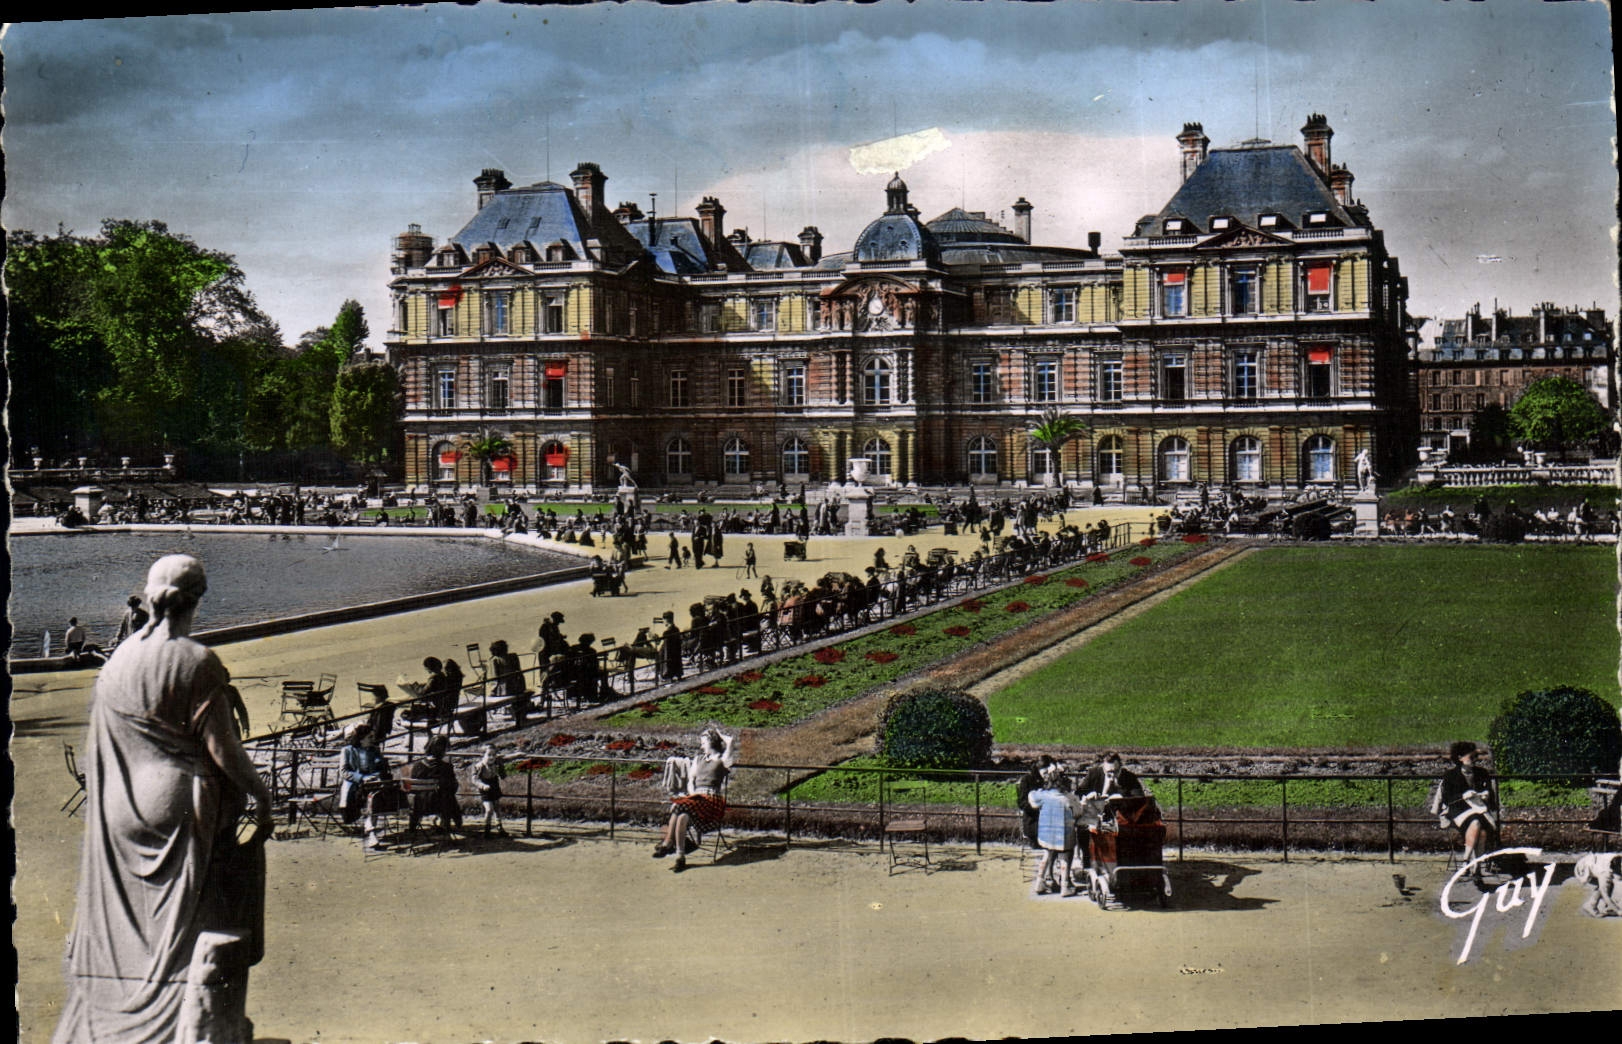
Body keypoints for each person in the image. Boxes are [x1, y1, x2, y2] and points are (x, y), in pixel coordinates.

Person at [54, 554, 274, 1043]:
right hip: (177, 802)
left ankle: (120, 1023)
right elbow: (223, 748)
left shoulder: (122, 659)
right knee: (184, 926)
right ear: (198, 598)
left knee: (131, 923)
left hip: (121, 806)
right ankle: (176, 1024)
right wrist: (260, 794)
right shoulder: (195, 660)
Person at [654, 726, 737, 872]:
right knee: (682, 816)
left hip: (712, 799)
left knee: (680, 806)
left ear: (712, 742)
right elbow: (691, 781)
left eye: (703, 742)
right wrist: (693, 795)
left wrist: (718, 733)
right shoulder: (698, 759)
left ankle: (668, 843)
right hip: (696, 798)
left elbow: (731, 741)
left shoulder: (722, 760)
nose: (701, 746)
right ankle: (680, 857)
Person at [1433, 740, 1500, 885]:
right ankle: (1472, 865)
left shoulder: (1482, 773)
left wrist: (1486, 794)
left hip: (1479, 809)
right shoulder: (1450, 775)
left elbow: (1490, 794)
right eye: (1472, 757)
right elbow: (1447, 798)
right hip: (1459, 810)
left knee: (1480, 829)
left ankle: (1469, 865)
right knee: (1477, 822)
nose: (1475, 760)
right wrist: (1463, 796)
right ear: (1460, 758)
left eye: (1476, 757)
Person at [1026, 763, 1083, 896]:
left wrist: (1040, 791)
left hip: (1047, 834)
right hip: (1064, 834)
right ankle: (1065, 886)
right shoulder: (1068, 798)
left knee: (1047, 855)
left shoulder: (1043, 796)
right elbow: (1078, 812)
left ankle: (1039, 882)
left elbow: (1032, 799)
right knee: (1064, 857)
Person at [406, 735, 463, 836]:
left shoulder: (417, 766)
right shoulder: (446, 767)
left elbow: (412, 788)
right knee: (448, 796)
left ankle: (412, 826)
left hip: (420, 805)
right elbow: (453, 787)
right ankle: (448, 823)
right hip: (440, 805)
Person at [1015, 755, 1057, 851]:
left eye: (1050, 773)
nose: (1047, 775)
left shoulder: (1052, 781)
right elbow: (1022, 803)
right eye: (1045, 772)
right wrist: (1039, 808)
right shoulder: (1027, 780)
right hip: (1034, 821)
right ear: (1039, 768)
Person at [474, 746, 506, 838]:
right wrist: (482, 785)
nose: (491, 757)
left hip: (495, 786)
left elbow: (503, 775)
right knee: (489, 809)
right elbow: (474, 779)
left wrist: (501, 767)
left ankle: (499, 827)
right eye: (489, 755)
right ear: (483, 755)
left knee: (496, 807)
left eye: (494, 755)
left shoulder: (496, 763)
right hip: (486, 789)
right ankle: (487, 829)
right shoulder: (480, 766)